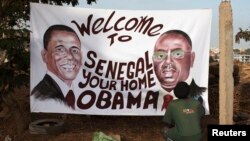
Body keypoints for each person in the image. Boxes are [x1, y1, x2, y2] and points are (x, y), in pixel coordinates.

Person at [31, 24, 82, 110]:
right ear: (45, 55)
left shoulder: (74, 92)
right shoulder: (41, 97)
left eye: (75, 50)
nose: (70, 56)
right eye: (60, 49)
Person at [152, 29, 206, 111]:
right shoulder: (148, 97)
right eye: (160, 55)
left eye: (177, 54)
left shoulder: (200, 97)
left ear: (192, 59)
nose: (168, 61)